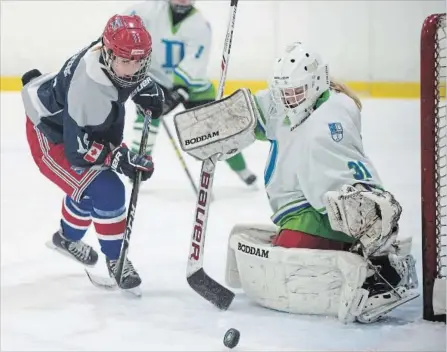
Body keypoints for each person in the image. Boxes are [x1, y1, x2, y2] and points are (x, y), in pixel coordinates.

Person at [175, 41, 419, 323]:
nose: (289, 99)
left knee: (289, 249)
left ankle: (373, 268)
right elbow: (253, 111)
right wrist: (213, 127)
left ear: (316, 84)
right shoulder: (290, 100)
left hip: (318, 213)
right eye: (285, 93)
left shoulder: (329, 122)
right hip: (302, 208)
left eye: (295, 92)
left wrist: (365, 223)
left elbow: (345, 174)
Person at [21, 14, 164, 291]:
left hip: (69, 121)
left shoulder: (108, 57)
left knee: (87, 189)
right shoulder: (91, 87)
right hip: (51, 137)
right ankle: (116, 261)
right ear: (109, 54)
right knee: (107, 189)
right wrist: (117, 157)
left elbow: (124, 80)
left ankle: (67, 238)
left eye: (139, 61)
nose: (133, 69)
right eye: (126, 61)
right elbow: (79, 150)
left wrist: (142, 86)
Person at [123, 0, 258, 186]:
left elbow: (195, 61)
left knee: (215, 126)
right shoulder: (147, 10)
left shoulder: (200, 26)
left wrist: (180, 91)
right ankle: (137, 166)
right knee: (147, 117)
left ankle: (241, 169)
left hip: (193, 84)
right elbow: (123, 28)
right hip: (157, 79)